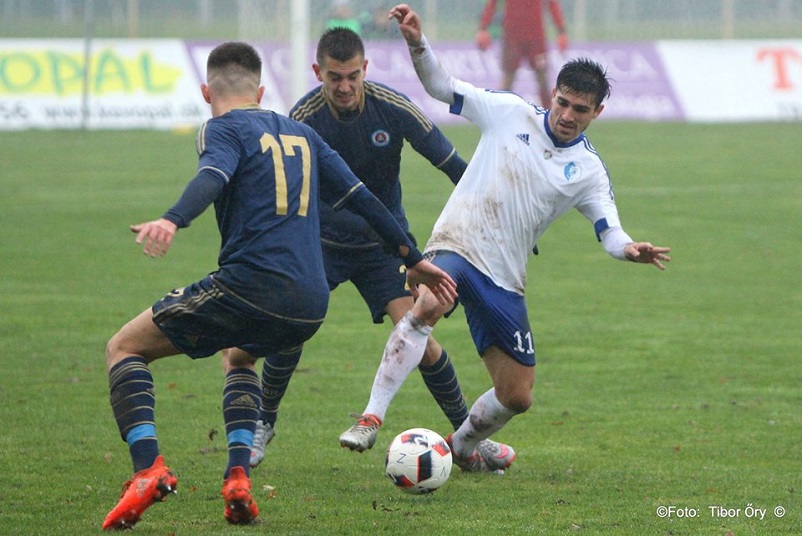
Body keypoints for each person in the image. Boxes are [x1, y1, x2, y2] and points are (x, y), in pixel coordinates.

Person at [100, 41, 456, 530]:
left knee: (123, 347)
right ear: (262, 91)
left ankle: (147, 470)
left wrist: (173, 218)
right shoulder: (303, 132)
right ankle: (238, 478)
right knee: (240, 357)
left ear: (206, 92)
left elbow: (213, 175)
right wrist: (413, 258)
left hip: (249, 285)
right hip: (309, 301)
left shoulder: (220, 128)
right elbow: (364, 199)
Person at [338, 4, 671, 475]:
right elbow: (441, 87)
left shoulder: (589, 171)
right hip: (457, 244)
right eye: (563, 102)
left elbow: (609, 230)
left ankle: (460, 447)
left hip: (505, 276)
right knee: (428, 304)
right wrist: (417, 43)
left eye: (580, 109)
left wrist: (629, 248)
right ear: (552, 94)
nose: (567, 115)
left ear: (597, 112)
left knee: (517, 395)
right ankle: (371, 417)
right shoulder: (509, 112)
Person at [249, 27, 514, 467]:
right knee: (292, 324)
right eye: (335, 77)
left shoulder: (392, 107)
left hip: (385, 247)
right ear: (318, 72)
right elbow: (286, 190)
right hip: (322, 245)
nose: (345, 86)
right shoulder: (303, 118)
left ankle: (469, 438)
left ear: (365, 69)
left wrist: (497, 212)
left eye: (353, 75)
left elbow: (451, 164)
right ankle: (264, 422)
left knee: (421, 338)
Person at [476, 0, 569, 107]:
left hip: (535, 36)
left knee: (542, 78)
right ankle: (498, 110)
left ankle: (548, 113)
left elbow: (552, 3)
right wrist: (483, 27)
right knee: (508, 77)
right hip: (513, 36)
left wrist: (561, 30)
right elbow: (493, 3)